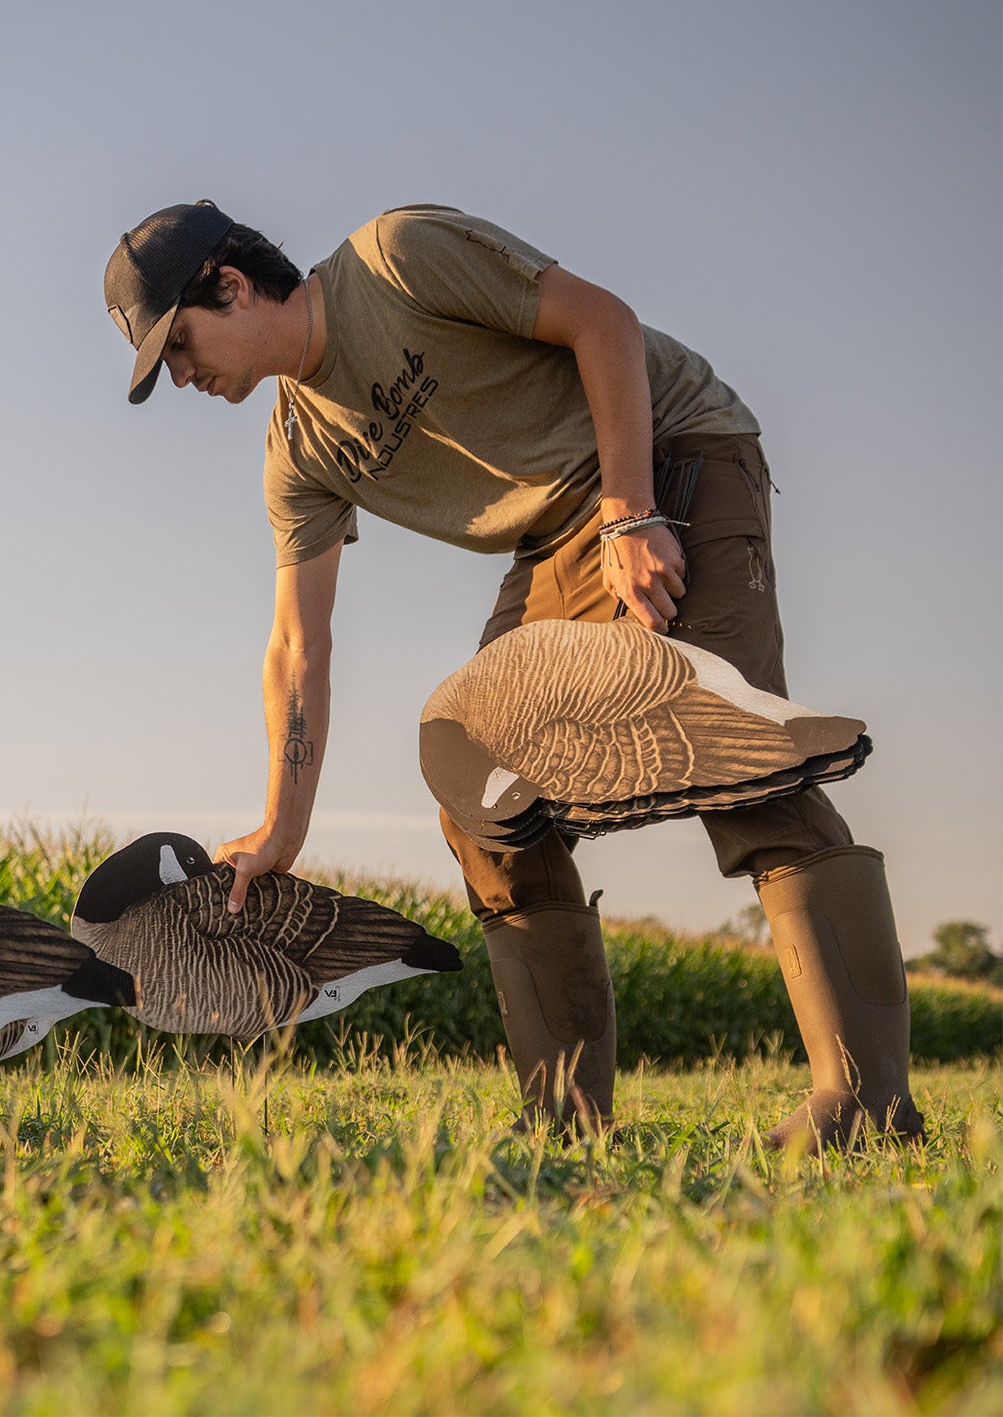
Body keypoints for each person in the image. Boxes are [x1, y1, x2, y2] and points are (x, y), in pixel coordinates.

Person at [103, 199, 924, 1150]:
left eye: (177, 344)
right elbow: (298, 645)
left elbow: (601, 321)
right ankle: (568, 1125)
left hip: (667, 453)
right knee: (482, 798)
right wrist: (283, 826)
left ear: (231, 286)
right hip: (552, 542)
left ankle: (866, 1103)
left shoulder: (395, 258)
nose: (180, 374)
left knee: (726, 749)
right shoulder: (298, 452)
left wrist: (629, 512)